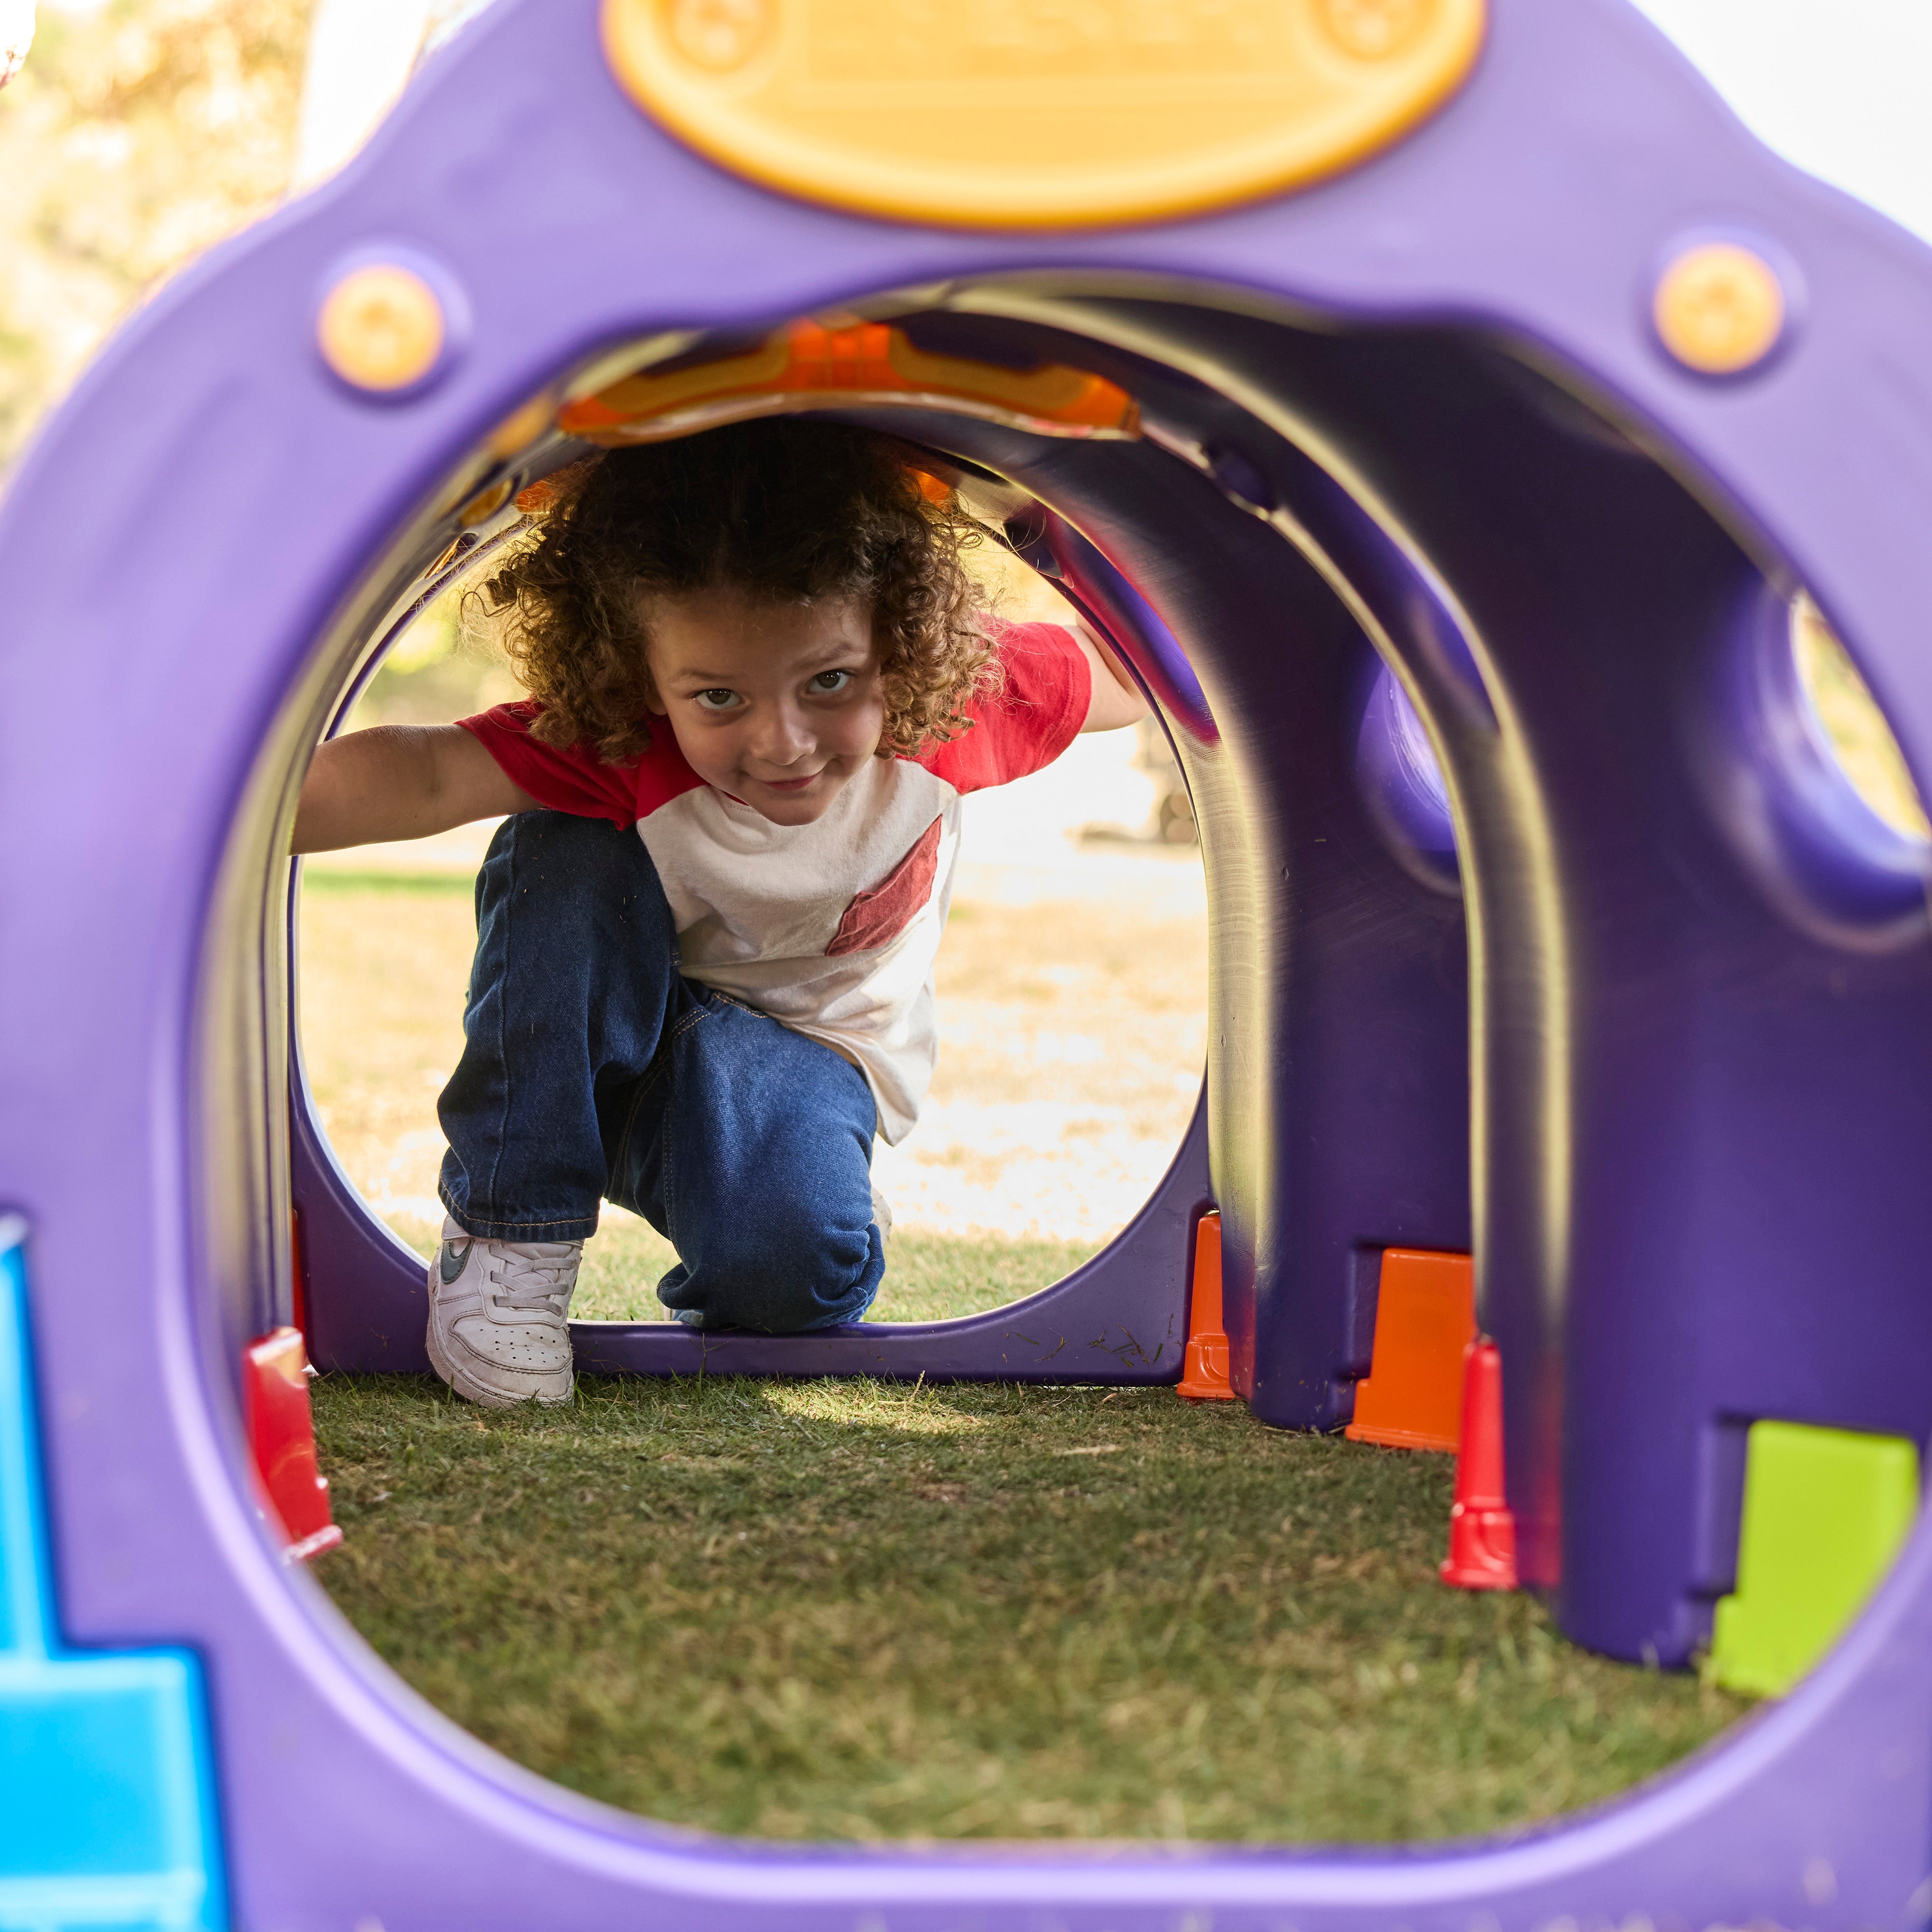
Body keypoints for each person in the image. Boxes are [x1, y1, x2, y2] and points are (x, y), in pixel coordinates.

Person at [293, 419, 1148, 1407]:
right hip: (589, 1026)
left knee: (793, 1278)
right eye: (717, 697)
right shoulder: (622, 745)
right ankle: (510, 1235)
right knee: (561, 845)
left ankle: (778, 1175)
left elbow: (1128, 670)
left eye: (828, 681)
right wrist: (206, 808)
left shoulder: (967, 699)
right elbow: (426, 769)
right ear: (643, 679)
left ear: (898, 644)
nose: (782, 739)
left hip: (804, 1055)